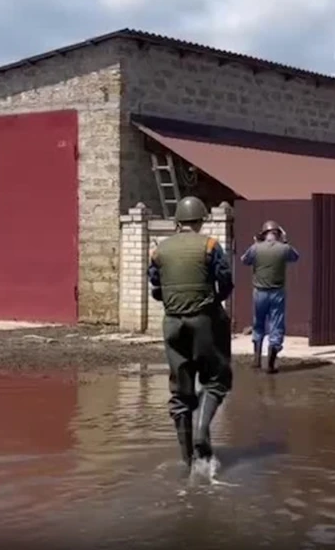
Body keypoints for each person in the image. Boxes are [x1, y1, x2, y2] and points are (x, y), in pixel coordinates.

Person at [147, 196, 234, 470]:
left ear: (177, 221)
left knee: (180, 392)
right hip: (205, 321)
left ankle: (187, 462)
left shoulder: (160, 250)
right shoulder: (209, 245)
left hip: (172, 324)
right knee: (216, 380)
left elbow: (155, 285)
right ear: (200, 220)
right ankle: (201, 434)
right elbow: (226, 280)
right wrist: (215, 299)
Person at [240, 220, 300, 374]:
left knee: (258, 324)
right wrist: (285, 241)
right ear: (278, 234)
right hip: (277, 293)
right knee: (276, 325)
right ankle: (271, 364)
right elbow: (295, 257)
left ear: (263, 233)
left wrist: (256, 245)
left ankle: (257, 359)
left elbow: (244, 260)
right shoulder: (284, 248)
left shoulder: (255, 248)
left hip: (259, 292)